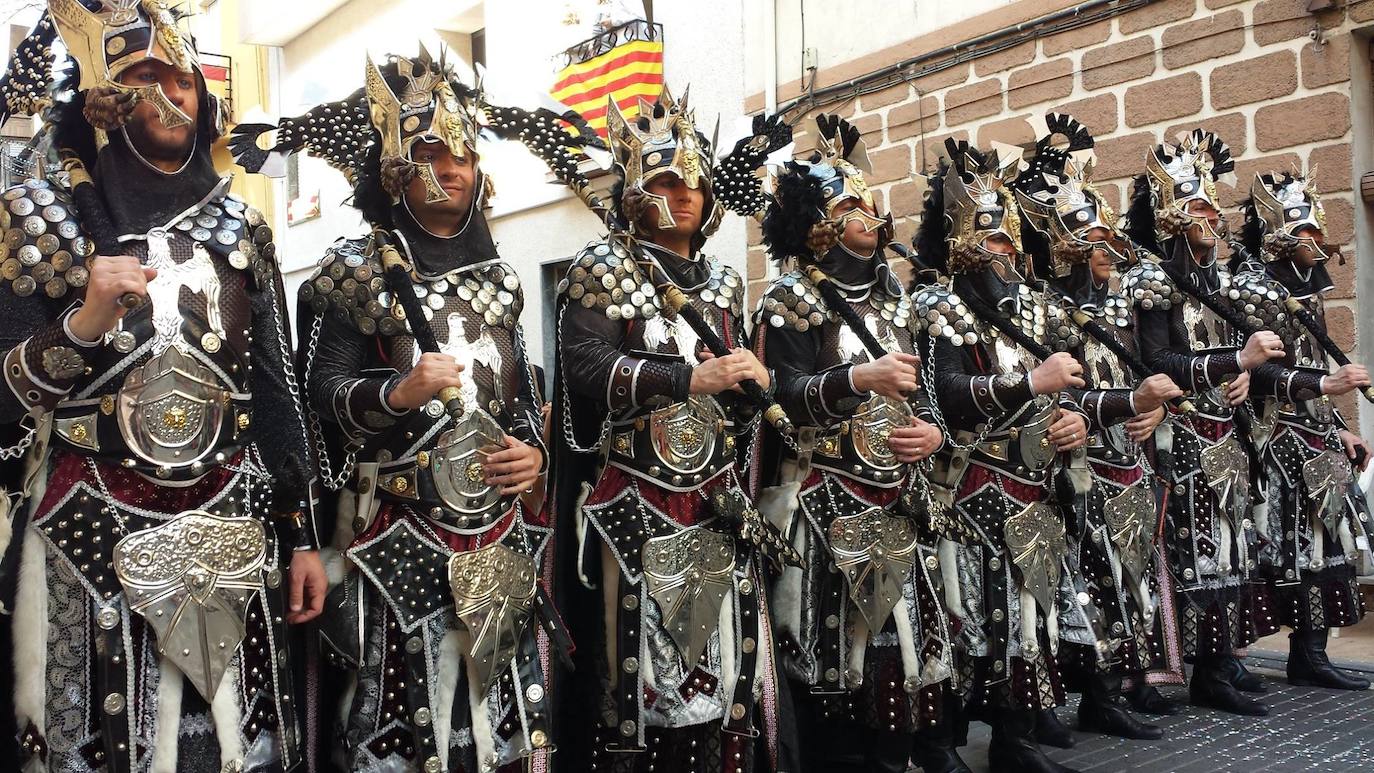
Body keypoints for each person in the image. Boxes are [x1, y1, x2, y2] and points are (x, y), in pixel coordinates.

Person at [0, 3, 325, 770]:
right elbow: (4, 398)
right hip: (90, 518)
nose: (170, 94)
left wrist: (304, 532)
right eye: (147, 75)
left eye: (183, 78)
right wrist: (78, 327)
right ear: (107, 93)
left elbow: (276, 391)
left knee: (236, 746)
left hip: (232, 517)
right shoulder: (39, 215)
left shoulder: (240, 226)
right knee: (97, 747)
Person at [236, 47, 557, 772]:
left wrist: (533, 448)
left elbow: (525, 396)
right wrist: (395, 393)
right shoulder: (352, 270)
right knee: (400, 732)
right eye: (432, 154)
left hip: (497, 533)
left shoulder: (502, 279)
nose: (451, 170)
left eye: (464, 156)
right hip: (394, 536)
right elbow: (315, 396)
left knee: (502, 726)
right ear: (394, 169)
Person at [551, 88, 791, 772]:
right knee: (640, 674)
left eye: (693, 180)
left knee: (723, 662)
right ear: (634, 191)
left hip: (714, 496)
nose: (682, 193)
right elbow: (587, 363)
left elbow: (733, 397)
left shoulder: (718, 281)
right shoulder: (600, 267)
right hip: (635, 496)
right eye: (663, 180)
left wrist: (753, 386)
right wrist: (686, 380)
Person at [753, 115, 964, 773]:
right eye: (850, 207)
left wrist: (932, 427)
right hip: (827, 495)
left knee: (908, 638)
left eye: (871, 206)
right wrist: (853, 378)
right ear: (820, 222)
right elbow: (781, 394)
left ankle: (906, 751)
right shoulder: (789, 298)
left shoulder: (896, 299)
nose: (870, 218)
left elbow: (921, 387)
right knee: (838, 644)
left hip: (898, 492)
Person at [909, 138, 1089, 773]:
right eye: (990, 240)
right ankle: (940, 746)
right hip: (971, 484)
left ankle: (1016, 740)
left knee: (1028, 621)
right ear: (959, 238)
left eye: (1010, 240)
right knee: (968, 618)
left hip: (1036, 484)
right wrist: (1028, 386)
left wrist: (1076, 420)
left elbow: (1080, 380)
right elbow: (949, 396)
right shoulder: (936, 305)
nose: (1003, 253)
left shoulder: (1038, 308)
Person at [1010, 114, 1186, 741]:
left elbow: (1146, 366)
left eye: (1110, 240)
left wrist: (1157, 406)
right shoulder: (1046, 306)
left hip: (1126, 455)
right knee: (1076, 580)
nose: (1108, 254)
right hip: (1073, 461)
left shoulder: (1116, 304)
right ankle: (1081, 695)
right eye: (1094, 243)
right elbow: (1057, 388)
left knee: (1124, 573)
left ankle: (1122, 684)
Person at [1122, 130, 1288, 717]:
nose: (1210, 214)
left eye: (1211, 203)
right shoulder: (1151, 278)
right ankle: (1201, 668)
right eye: (1196, 205)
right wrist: (1230, 365)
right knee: (1192, 548)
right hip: (1182, 431)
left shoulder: (1219, 277)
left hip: (1226, 428)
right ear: (1169, 213)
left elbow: (1233, 348)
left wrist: (1240, 377)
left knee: (1231, 544)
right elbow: (1157, 359)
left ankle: (1223, 660)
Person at [1236, 170, 1372, 690]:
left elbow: (1315, 364)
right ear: (1278, 233)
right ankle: (1248, 658)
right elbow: (1260, 370)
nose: (1317, 240)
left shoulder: (1305, 292)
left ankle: (1310, 654)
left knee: (1323, 548)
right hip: (1278, 441)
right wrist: (1323, 388)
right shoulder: (1254, 290)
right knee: (1284, 550)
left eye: (1318, 229)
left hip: (1317, 440)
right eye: (1306, 230)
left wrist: (1339, 426)